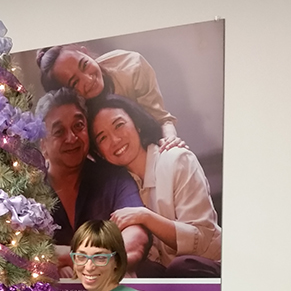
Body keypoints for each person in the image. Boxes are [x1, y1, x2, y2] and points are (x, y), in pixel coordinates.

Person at [89, 94, 221, 278]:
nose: (115, 140)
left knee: (181, 267)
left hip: (210, 269)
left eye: (119, 125)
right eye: (102, 138)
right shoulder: (118, 187)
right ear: (99, 153)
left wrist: (145, 217)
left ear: (138, 124)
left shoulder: (177, 160)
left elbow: (202, 237)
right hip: (168, 280)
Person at [35, 88, 149, 276]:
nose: (72, 138)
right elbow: (20, 252)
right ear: (43, 145)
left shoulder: (114, 178)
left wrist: (69, 258)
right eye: (59, 131)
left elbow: (135, 239)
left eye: (78, 126)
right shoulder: (26, 192)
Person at [36, 45, 183, 150]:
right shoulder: (73, 112)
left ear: (84, 52)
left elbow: (161, 119)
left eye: (84, 64)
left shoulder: (132, 67)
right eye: (75, 83)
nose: (88, 79)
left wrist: (171, 142)